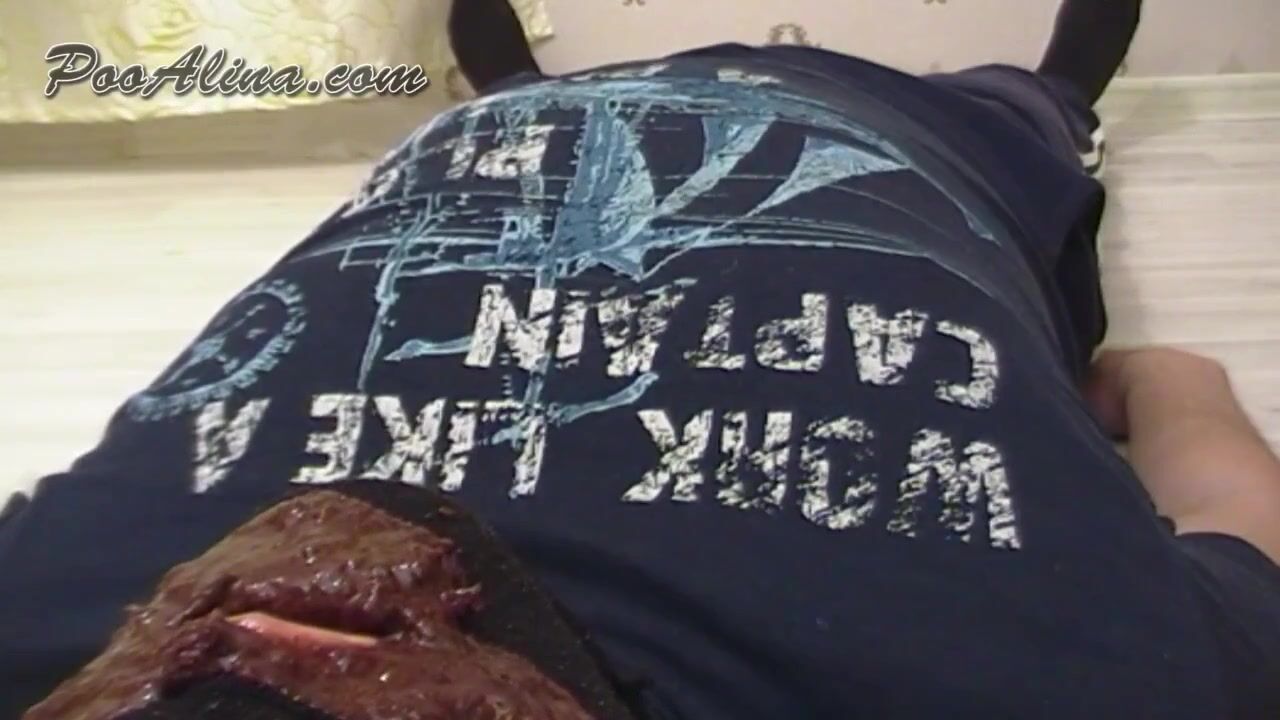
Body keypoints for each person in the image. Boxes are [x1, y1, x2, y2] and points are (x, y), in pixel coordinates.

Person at [5, 0, 1280, 716]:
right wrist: (1155, 382)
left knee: (504, 110)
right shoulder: (1062, 684)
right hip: (904, 131)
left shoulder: (37, 612)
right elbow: (1232, 501)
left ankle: (498, 76)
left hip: (515, 137)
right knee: (1031, 119)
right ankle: (1059, 93)